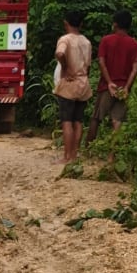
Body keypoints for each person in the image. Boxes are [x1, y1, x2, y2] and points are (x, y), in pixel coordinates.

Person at [87, 9, 137, 148]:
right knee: (118, 121)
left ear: (115, 24)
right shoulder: (135, 45)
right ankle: (113, 156)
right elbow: (135, 69)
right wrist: (127, 88)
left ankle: (87, 150)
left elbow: (101, 62)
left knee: (97, 117)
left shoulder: (106, 40)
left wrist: (110, 82)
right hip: (123, 87)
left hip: (106, 86)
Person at [53, 10, 92, 163]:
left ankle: (66, 156)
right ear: (81, 24)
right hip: (83, 84)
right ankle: (75, 155)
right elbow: (88, 65)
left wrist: (66, 68)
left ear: (66, 23)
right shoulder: (86, 42)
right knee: (78, 121)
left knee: (67, 121)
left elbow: (60, 54)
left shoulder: (65, 39)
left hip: (69, 84)